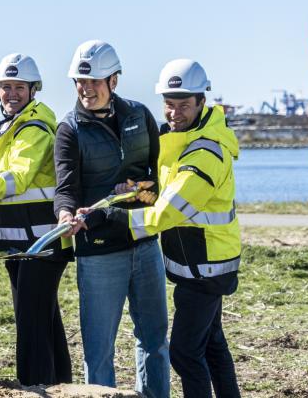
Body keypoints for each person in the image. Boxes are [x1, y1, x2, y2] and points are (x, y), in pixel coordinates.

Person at [81, 59, 242, 398]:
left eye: (183, 105)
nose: (174, 112)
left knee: (185, 353)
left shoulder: (205, 152)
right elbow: (166, 191)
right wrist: (136, 192)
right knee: (211, 344)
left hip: (205, 268)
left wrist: (113, 217)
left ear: (202, 101)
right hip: (199, 262)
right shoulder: (184, 140)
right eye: (169, 104)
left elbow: (169, 211)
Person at [52, 40, 170, 398]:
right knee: (98, 348)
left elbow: (158, 178)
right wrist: (65, 215)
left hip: (145, 243)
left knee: (153, 340)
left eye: (94, 82)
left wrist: (138, 189)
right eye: (80, 82)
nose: (86, 89)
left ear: (114, 80)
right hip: (99, 252)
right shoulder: (69, 129)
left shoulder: (140, 115)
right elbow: (65, 188)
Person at [0, 53, 72, 386]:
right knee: (45, 320)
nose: (11, 94)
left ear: (33, 89)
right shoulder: (14, 126)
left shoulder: (33, 129)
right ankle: (63, 386)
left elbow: (14, 181)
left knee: (31, 324)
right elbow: (2, 187)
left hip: (39, 243)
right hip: (22, 244)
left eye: (19, 87)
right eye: (5, 87)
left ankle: (34, 387)